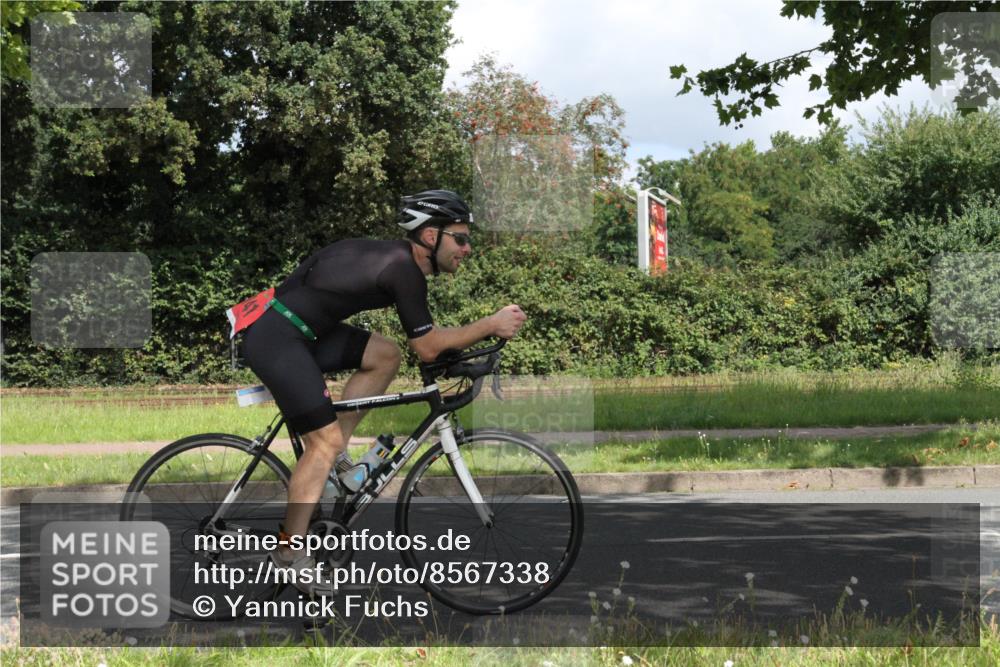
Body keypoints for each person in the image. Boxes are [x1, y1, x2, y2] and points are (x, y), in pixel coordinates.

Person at [240, 189, 526, 595]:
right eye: (460, 238)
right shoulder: (402, 270)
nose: (467, 248)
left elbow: (423, 347)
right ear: (431, 237)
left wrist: (461, 353)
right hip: (279, 337)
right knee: (320, 444)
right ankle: (289, 553)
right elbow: (427, 347)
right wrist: (489, 324)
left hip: (300, 330)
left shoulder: (396, 262)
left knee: (385, 355)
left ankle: (335, 462)